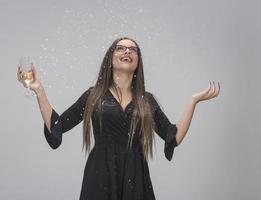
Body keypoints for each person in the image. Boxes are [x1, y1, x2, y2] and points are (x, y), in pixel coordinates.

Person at [17, 37, 220, 200]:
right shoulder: (93, 95)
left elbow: (172, 137)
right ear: (110, 58)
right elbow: (57, 126)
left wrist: (193, 101)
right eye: (120, 48)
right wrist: (39, 90)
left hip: (136, 174)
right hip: (100, 173)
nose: (127, 51)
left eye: (132, 50)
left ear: (138, 61)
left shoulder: (146, 100)